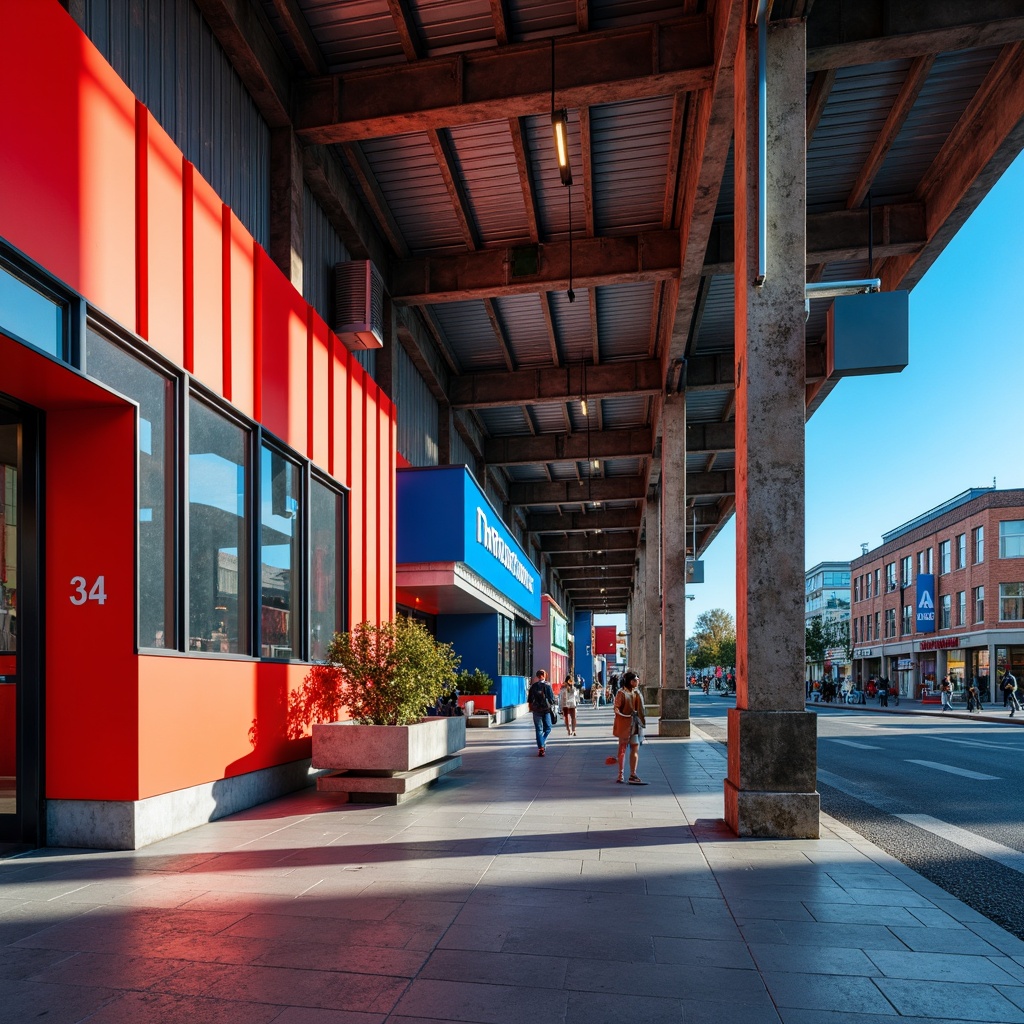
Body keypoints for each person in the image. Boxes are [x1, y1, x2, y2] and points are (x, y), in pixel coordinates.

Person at [612, 669, 647, 785]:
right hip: (624, 725)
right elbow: (616, 708)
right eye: (636, 679)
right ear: (631, 681)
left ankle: (633, 774)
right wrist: (624, 715)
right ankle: (620, 774)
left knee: (635, 747)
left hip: (634, 725)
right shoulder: (621, 693)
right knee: (622, 749)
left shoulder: (636, 693)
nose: (638, 681)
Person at [527, 669, 556, 756]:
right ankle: (542, 743)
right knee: (548, 728)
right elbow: (551, 699)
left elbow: (530, 699)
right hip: (546, 710)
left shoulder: (533, 686)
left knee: (538, 729)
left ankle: (541, 747)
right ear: (545, 675)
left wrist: (531, 708)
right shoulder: (547, 685)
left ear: (537, 676)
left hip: (536, 710)